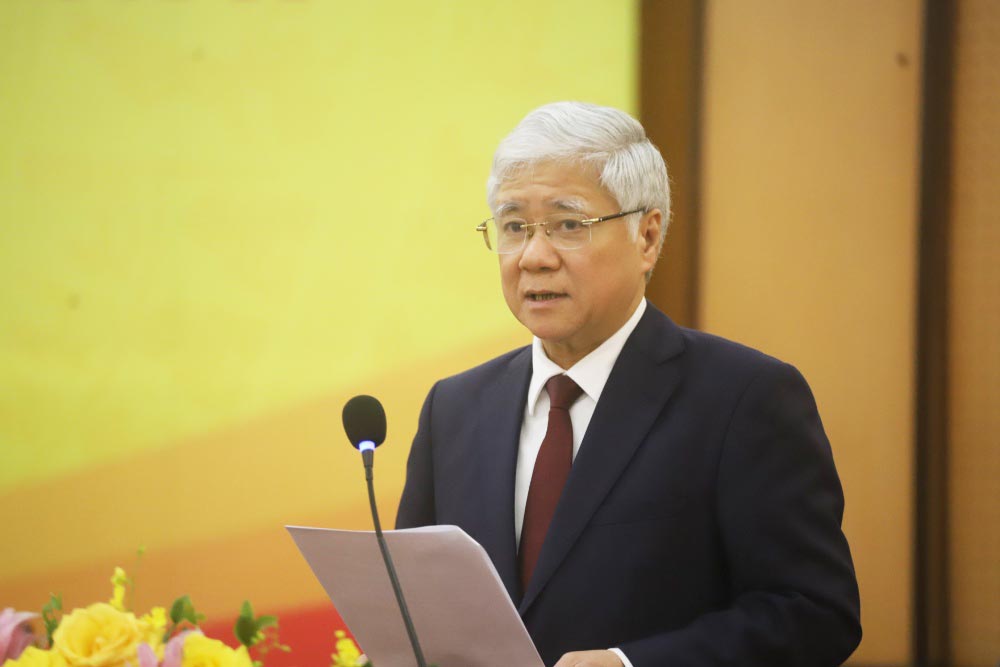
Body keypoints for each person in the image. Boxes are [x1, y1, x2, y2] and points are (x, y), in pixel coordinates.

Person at [396, 101, 861, 667]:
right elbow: (416, 607)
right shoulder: (455, 407)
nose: (534, 257)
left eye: (568, 224)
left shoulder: (745, 398)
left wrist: (628, 664)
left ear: (647, 236)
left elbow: (813, 613)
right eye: (515, 226)